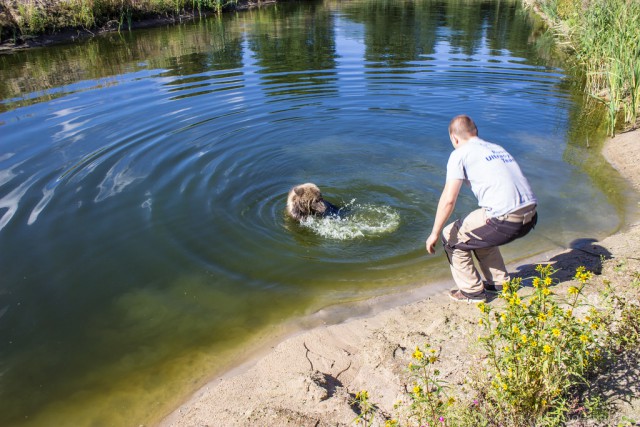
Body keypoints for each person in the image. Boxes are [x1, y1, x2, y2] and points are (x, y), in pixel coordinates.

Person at [425, 115, 538, 302]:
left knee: (450, 236)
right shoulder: (497, 148)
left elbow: (448, 200)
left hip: (505, 221)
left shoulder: (459, 154)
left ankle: (472, 292)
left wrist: (434, 233)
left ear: (454, 138)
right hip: (531, 215)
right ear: (475, 131)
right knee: (477, 230)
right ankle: (499, 283)